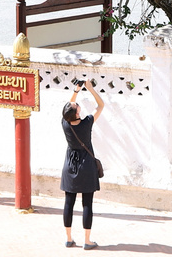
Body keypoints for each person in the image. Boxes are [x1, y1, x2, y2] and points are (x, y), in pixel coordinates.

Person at [61, 79, 104, 249]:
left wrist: (76, 90)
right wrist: (90, 89)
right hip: (86, 166)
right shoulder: (87, 123)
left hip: (69, 166)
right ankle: (87, 241)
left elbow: (69, 106)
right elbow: (101, 106)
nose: (76, 105)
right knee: (87, 203)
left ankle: (69, 238)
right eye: (76, 107)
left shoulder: (65, 124)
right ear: (77, 114)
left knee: (68, 203)